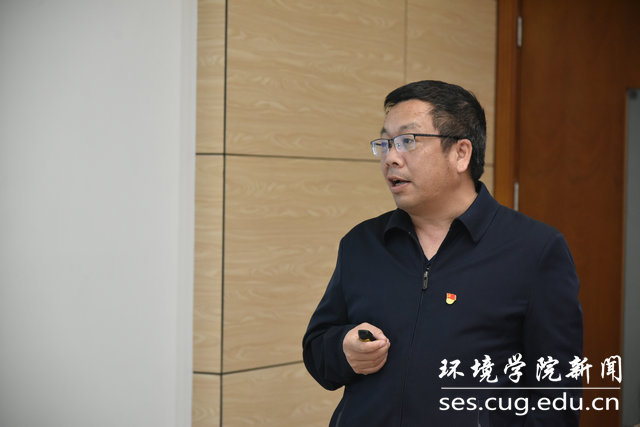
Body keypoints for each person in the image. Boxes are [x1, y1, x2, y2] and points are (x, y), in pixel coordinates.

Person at [302, 80, 583, 426]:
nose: (391, 158)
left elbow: (556, 395)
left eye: (407, 141)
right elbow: (317, 350)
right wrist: (343, 349)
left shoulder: (535, 249)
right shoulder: (362, 243)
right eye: (386, 143)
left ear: (461, 153)